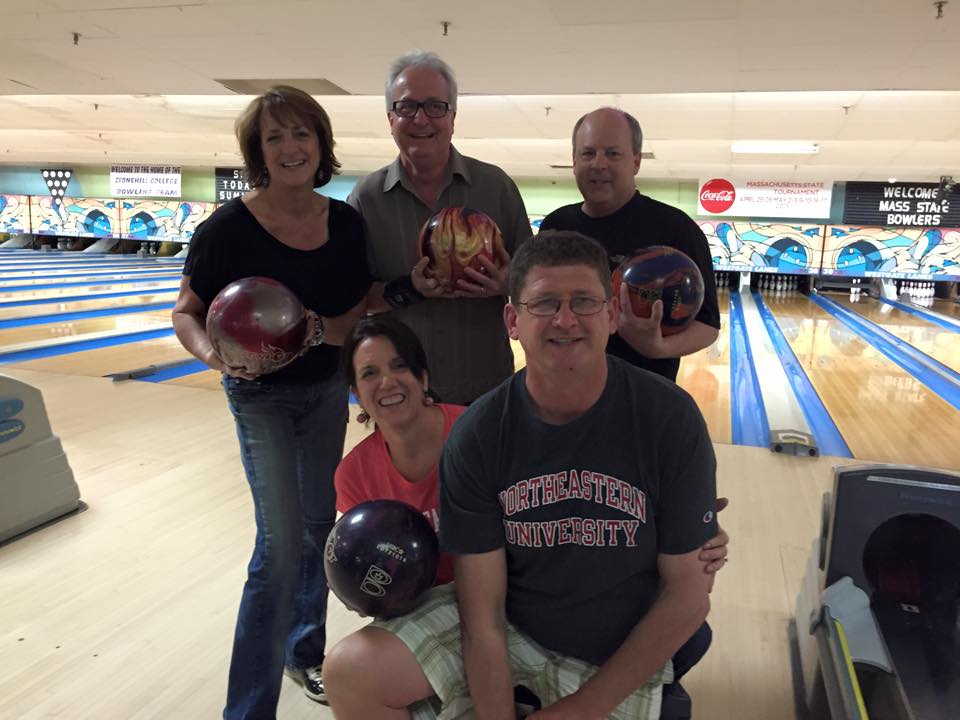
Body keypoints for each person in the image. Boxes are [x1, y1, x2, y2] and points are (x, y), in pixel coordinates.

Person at [323, 231, 719, 719]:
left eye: (584, 302)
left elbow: (688, 596)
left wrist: (580, 709)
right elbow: (482, 611)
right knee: (350, 671)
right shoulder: (479, 433)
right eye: (545, 303)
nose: (566, 319)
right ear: (513, 320)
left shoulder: (669, 418)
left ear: (613, 315)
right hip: (512, 630)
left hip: (616, 649)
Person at [171, 86, 370, 718]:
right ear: (259, 151)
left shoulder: (345, 225)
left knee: (317, 528)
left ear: (320, 145)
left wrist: (315, 330)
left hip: (323, 392)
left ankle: (303, 651)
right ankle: (248, 708)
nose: (290, 147)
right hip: (259, 397)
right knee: (279, 547)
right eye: (275, 137)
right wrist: (213, 354)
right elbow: (186, 313)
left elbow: (354, 318)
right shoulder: (226, 230)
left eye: (301, 134)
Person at [348, 50, 533, 405]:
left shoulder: (496, 187)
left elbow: (535, 285)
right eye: (406, 107)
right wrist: (409, 289)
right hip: (401, 395)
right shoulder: (367, 199)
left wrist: (506, 283)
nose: (421, 120)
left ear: (452, 117)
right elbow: (355, 301)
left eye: (435, 106)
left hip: (486, 390)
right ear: (390, 118)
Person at [540, 108, 720, 383]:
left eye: (613, 153)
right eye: (588, 153)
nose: (598, 164)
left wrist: (659, 348)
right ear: (574, 160)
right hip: (564, 388)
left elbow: (707, 326)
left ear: (635, 162)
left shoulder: (676, 228)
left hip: (644, 397)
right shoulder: (555, 225)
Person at [334, 315, 467, 586]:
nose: (387, 382)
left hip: (498, 589)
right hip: (417, 602)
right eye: (370, 373)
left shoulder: (476, 434)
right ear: (356, 394)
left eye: (399, 366)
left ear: (423, 378)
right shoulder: (353, 475)